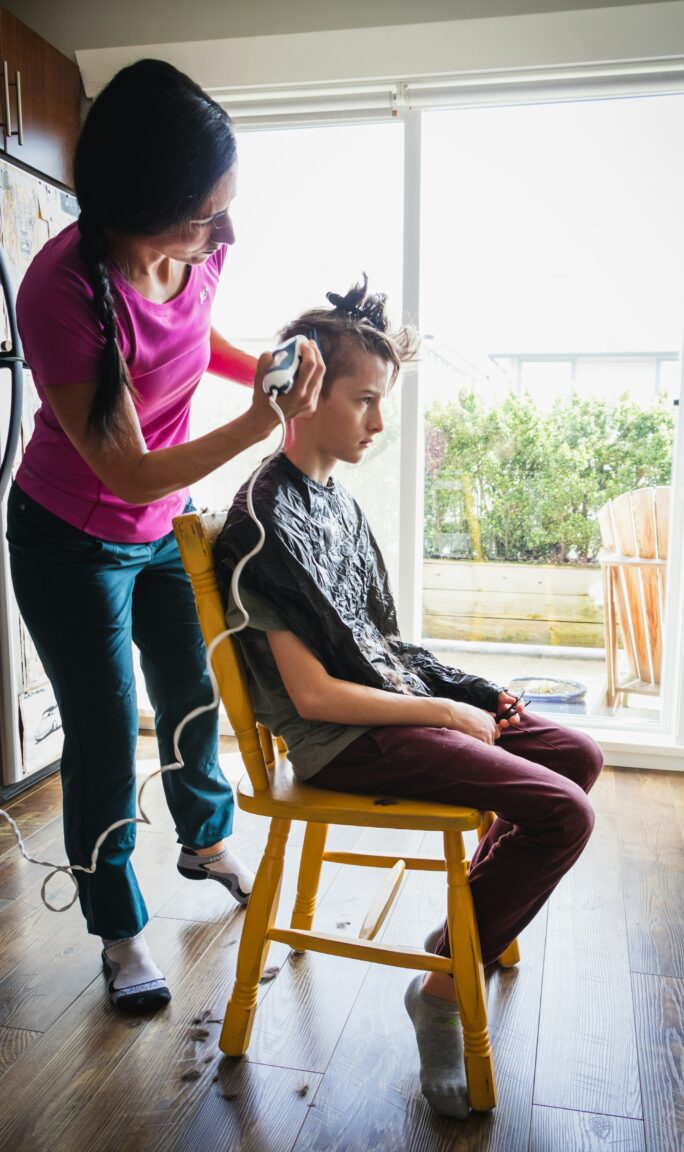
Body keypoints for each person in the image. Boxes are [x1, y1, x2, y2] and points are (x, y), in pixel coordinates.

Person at [214, 278, 604, 1120]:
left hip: (383, 711)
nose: (380, 425)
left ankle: (473, 926)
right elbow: (316, 696)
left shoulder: (337, 505)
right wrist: (444, 712)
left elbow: (383, 644)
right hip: (343, 741)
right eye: (364, 403)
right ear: (304, 394)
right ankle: (441, 986)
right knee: (565, 813)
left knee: (577, 753)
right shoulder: (258, 523)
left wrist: (472, 692)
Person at [5, 59, 325, 1014]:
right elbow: (129, 471)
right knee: (103, 731)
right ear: (140, 200)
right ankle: (117, 930)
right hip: (70, 539)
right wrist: (263, 425)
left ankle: (204, 839)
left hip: (162, 530)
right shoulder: (61, 290)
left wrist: (261, 367)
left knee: (193, 689)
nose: (224, 232)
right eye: (204, 212)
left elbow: (194, 339)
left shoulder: (197, 252)